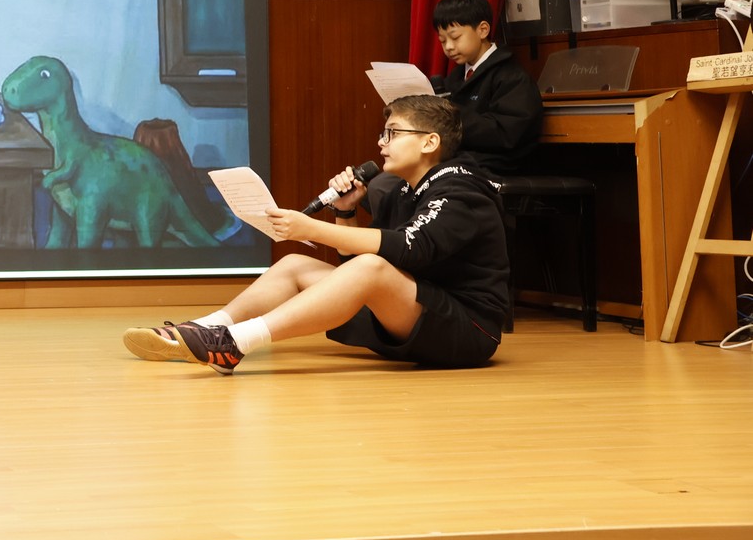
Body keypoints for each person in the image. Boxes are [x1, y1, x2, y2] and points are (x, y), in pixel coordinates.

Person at [122, 95, 509, 375]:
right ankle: (206, 328)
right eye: (383, 133)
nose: (381, 143)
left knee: (371, 267)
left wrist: (310, 227)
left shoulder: (460, 188)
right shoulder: (402, 190)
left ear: (429, 142)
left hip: (468, 330)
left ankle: (234, 342)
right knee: (295, 264)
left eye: (392, 133)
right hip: (417, 312)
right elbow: (357, 268)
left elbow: (409, 248)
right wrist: (345, 211)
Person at [426, 0, 542, 175]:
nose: (448, 47)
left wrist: (451, 114)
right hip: (458, 161)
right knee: (392, 179)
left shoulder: (512, 76)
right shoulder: (455, 77)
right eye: (442, 40)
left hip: (493, 167)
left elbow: (507, 134)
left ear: (483, 30)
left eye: (455, 37)